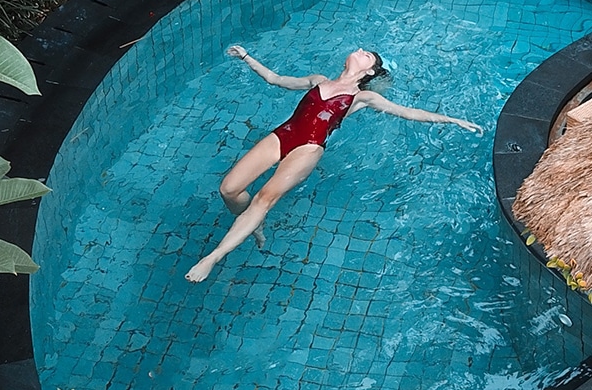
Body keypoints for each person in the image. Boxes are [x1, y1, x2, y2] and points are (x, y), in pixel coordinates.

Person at [185, 45, 484, 282]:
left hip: (309, 148)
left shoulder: (362, 97)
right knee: (229, 189)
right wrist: (247, 57)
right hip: (284, 134)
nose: (358, 50)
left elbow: (408, 112)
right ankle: (253, 224)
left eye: (365, 54)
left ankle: (213, 257)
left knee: (263, 198)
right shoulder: (318, 80)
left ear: (369, 70)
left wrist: (452, 119)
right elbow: (276, 79)